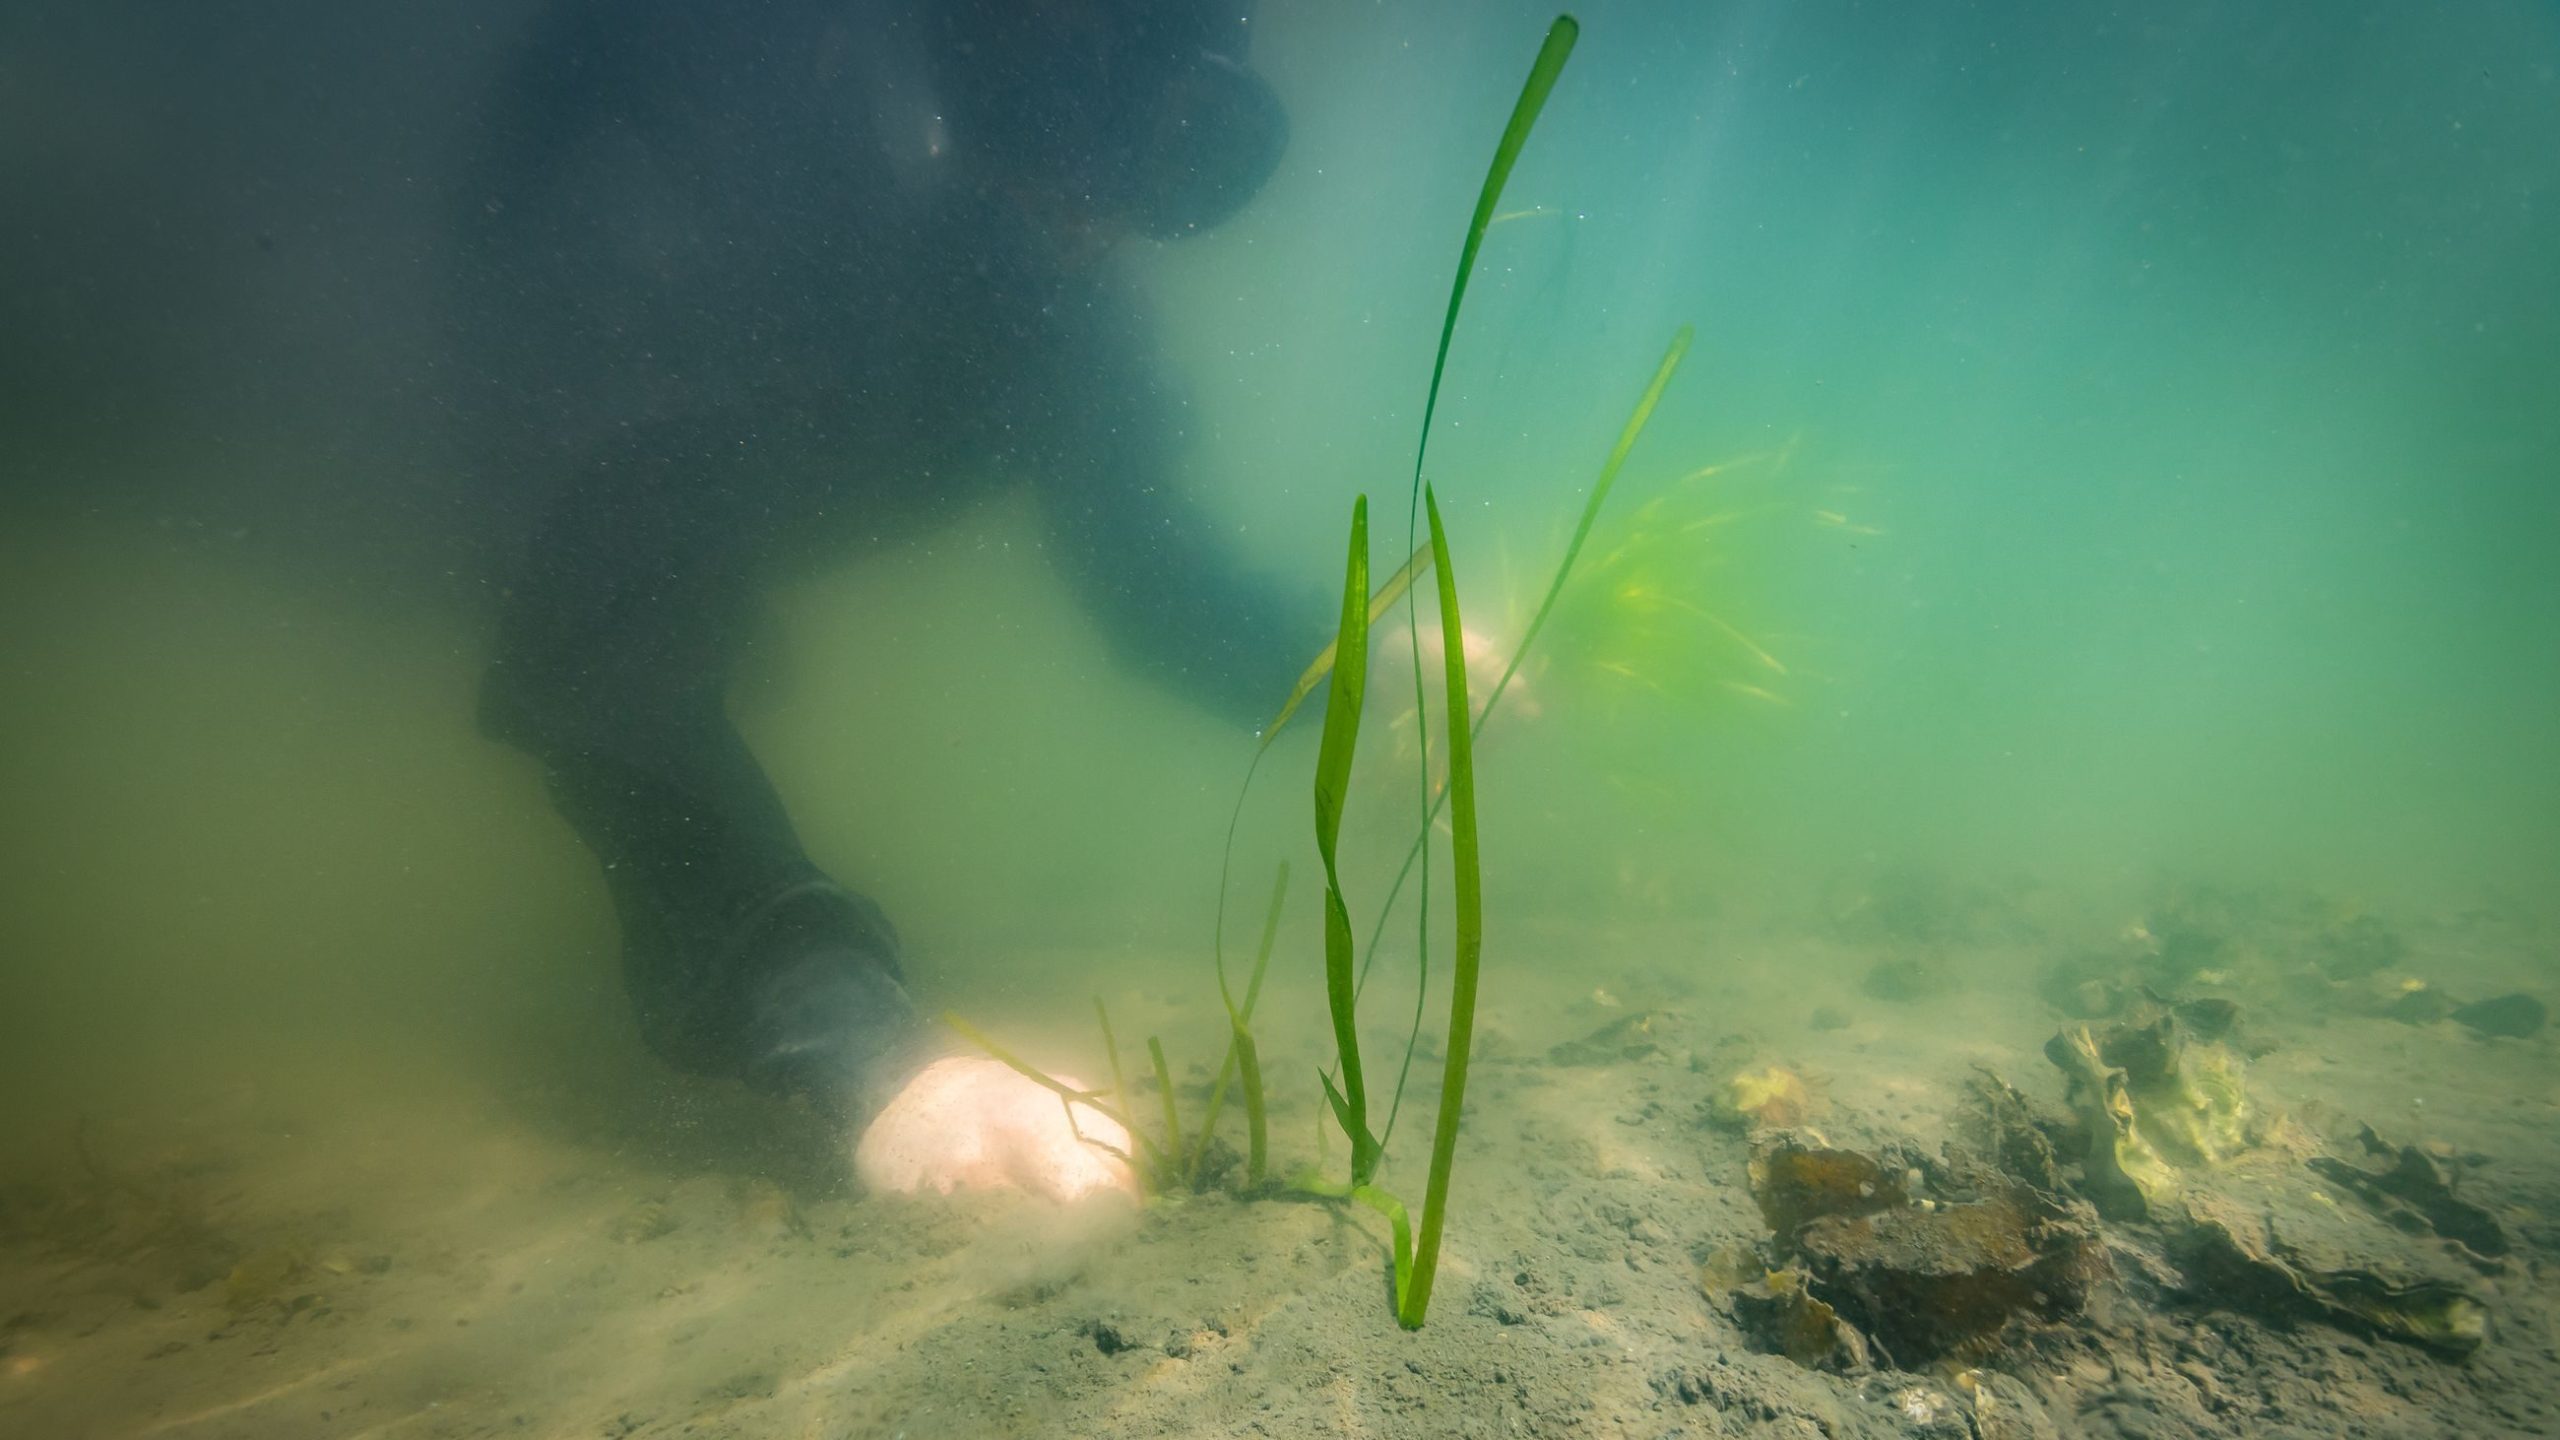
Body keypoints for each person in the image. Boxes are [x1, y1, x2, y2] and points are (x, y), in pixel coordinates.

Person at [454, 0, 1311, 1198]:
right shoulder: (703, 171)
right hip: (438, 436)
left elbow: (1149, 579)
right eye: (1082, 82)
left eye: (1176, 135)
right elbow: (593, 620)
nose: (1103, 197)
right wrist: (851, 1037)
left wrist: (1368, 669)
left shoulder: (1035, 288)